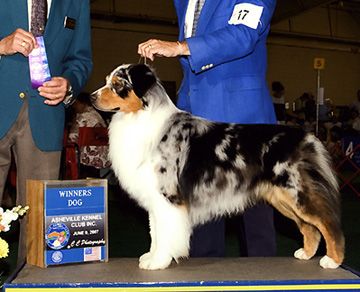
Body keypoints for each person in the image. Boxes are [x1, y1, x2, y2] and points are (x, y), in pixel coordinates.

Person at [138, 0, 277, 257]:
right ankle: (205, 279)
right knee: (201, 220)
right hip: (192, 115)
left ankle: (264, 282)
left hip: (242, 117)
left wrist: (180, 47)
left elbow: (243, 35)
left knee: (256, 220)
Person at [0, 0, 92, 265]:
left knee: (39, 227)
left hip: (46, 117)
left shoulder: (77, 3)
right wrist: (2, 46)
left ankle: (32, 283)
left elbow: (81, 59)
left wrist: (69, 83)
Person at [67, 93, 111, 179]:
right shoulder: (95, 114)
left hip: (88, 159)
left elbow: (72, 137)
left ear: (83, 103)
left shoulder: (84, 117)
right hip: (102, 156)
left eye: (76, 103)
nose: (74, 106)